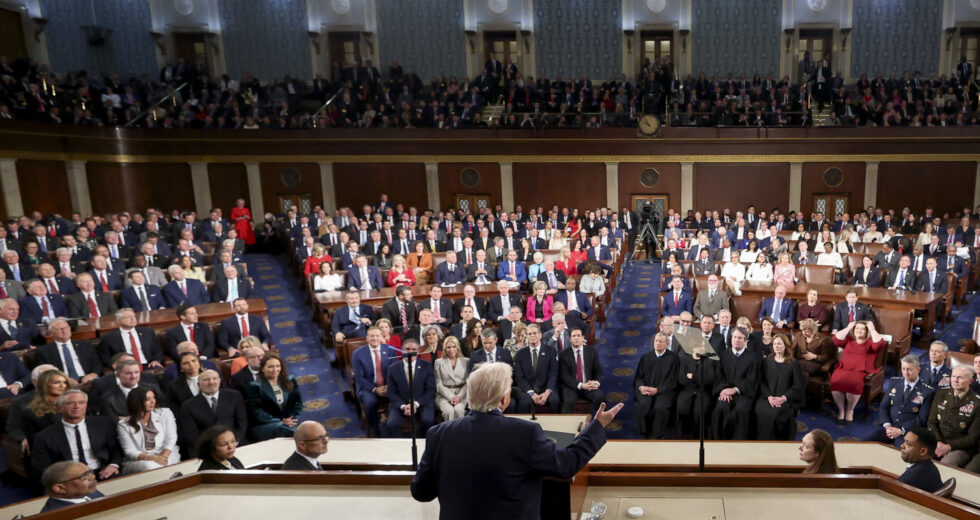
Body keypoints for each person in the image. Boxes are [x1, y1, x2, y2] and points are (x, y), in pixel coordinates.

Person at [410, 361, 623, 519]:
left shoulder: (438, 434)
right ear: (504, 400)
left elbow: (421, 491)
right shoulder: (525, 433)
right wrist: (597, 427)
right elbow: (566, 464)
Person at [31, 390, 122, 482]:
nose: (77, 406)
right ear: (59, 408)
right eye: (70, 403)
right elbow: (42, 468)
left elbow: (115, 449)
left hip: (101, 472)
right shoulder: (44, 436)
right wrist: (66, 478)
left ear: (86, 406)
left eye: (81, 402)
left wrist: (113, 465)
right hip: (70, 477)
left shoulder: (103, 423)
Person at [864, 355, 934, 447]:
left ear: (918, 370)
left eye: (909, 369)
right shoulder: (894, 382)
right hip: (888, 428)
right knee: (864, 444)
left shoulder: (927, 391)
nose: (906, 373)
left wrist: (902, 430)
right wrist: (887, 425)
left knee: (901, 455)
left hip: (907, 432)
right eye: (903, 369)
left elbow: (922, 419)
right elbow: (884, 406)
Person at [178, 370, 248, 459]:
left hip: (235, 443)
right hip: (206, 449)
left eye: (214, 378)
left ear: (219, 381)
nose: (211, 382)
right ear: (198, 384)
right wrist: (211, 448)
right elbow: (191, 434)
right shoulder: (187, 405)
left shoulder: (234, 396)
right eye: (206, 379)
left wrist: (234, 442)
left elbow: (242, 422)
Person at [830, 320, 886, 424]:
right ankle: (841, 410)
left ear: (867, 331)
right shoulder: (848, 340)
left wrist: (872, 329)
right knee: (835, 380)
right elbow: (836, 339)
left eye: (863, 329)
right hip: (843, 368)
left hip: (860, 371)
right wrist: (848, 327)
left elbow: (880, 344)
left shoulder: (870, 343)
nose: (859, 331)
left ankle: (850, 411)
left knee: (854, 383)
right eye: (857, 328)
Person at [927, 365, 980, 471]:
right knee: (919, 455)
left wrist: (949, 446)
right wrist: (938, 442)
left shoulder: (977, 403)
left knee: (946, 464)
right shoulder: (941, 394)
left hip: (960, 447)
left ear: (970, 381)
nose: (955, 380)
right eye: (953, 376)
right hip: (938, 441)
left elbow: (972, 438)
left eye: (960, 377)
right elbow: (932, 422)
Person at [116, 387, 180, 474]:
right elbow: (130, 451)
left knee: (167, 464)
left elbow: (171, 437)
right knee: (150, 466)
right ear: (136, 402)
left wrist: (163, 456)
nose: (153, 401)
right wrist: (153, 458)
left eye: (153, 398)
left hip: (166, 454)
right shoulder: (123, 424)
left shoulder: (165, 413)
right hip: (140, 460)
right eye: (148, 399)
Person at [711, 327, 761, 440]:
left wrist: (735, 389)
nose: (736, 340)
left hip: (743, 393)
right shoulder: (724, 355)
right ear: (731, 338)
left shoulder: (753, 358)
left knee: (741, 410)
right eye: (734, 337)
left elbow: (752, 380)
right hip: (725, 392)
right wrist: (723, 391)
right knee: (720, 408)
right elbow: (719, 376)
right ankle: (718, 441)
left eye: (740, 338)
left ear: (745, 341)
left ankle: (739, 442)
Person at [754, 334, 804, 440]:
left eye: (779, 344)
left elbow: (797, 385)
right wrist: (769, 397)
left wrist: (783, 398)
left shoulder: (793, 363)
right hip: (767, 396)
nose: (777, 346)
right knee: (760, 410)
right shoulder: (767, 361)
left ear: (785, 346)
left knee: (775, 414)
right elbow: (762, 382)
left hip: (786, 398)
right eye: (775, 344)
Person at [384, 339, 436, 437]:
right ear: (402, 350)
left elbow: (431, 390)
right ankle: (401, 446)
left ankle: (423, 443)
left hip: (422, 402)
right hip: (401, 403)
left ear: (418, 351)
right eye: (407, 349)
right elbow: (391, 392)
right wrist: (403, 406)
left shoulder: (426, 365)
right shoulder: (392, 368)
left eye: (413, 349)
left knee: (427, 420)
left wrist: (416, 404)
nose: (410, 352)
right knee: (391, 424)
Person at [246, 353, 303, 441]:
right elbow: (257, 412)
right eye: (270, 367)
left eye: (277, 366)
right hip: (265, 425)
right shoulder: (255, 386)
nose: (275, 369)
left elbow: (297, 403)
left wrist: (292, 419)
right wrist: (279, 421)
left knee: (308, 426)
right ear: (262, 368)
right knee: (284, 428)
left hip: (289, 422)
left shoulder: (290, 380)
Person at [633, 332, 678, 439]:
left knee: (660, 408)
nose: (658, 343)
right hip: (647, 389)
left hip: (664, 391)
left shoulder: (673, 358)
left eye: (661, 341)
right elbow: (639, 377)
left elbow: (673, 380)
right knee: (643, 404)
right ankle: (644, 433)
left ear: (667, 344)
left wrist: (658, 389)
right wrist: (641, 387)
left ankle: (658, 435)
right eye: (656, 341)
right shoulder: (646, 357)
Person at [513, 324, 559, 414]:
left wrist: (547, 392)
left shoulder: (550, 350)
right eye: (529, 334)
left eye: (534, 333)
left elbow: (553, 373)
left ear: (540, 335)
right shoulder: (520, 354)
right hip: (528, 389)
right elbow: (519, 377)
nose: (532, 336)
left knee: (554, 400)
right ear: (526, 336)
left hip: (546, 388)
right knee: (524, 402)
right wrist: (531, 393)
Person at [558, 328, 604, 413]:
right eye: (574, 336)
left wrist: (596, 383)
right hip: (571, 387)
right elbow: (564, 377)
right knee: (568, 402)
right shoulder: (563, 355)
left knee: (600, 397)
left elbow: (598, 371)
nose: (576, 338)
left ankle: (599, 423)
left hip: (589, 384)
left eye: (578, 336)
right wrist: (581, 385)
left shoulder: (592, 352)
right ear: (570, 339)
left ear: (583, 337)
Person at [39, 461, 105, 512]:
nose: (93, 476)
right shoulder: (53, 516)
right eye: (84, 477)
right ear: (59, 488)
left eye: (90, 472)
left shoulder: (91, 492)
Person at [897, 427, 944, 493]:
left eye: (909, 444)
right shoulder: (930, 467)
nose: (902, 445)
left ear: (923, 451)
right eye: (904, 441)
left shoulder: (910, 478)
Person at [434, 336, 469, 421]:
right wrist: (451, 397)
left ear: (458, 348)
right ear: (445, 349)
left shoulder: (466, 361)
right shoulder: (438, 362)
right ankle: (449, 433)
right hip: (444, 395)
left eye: (454, 347)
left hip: (462, 394)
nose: (451, 349)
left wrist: (459, 397)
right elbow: (438, 384)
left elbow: (468, 383)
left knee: (459, 410)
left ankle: (460, 433)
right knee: (448, 411)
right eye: (448, 347)